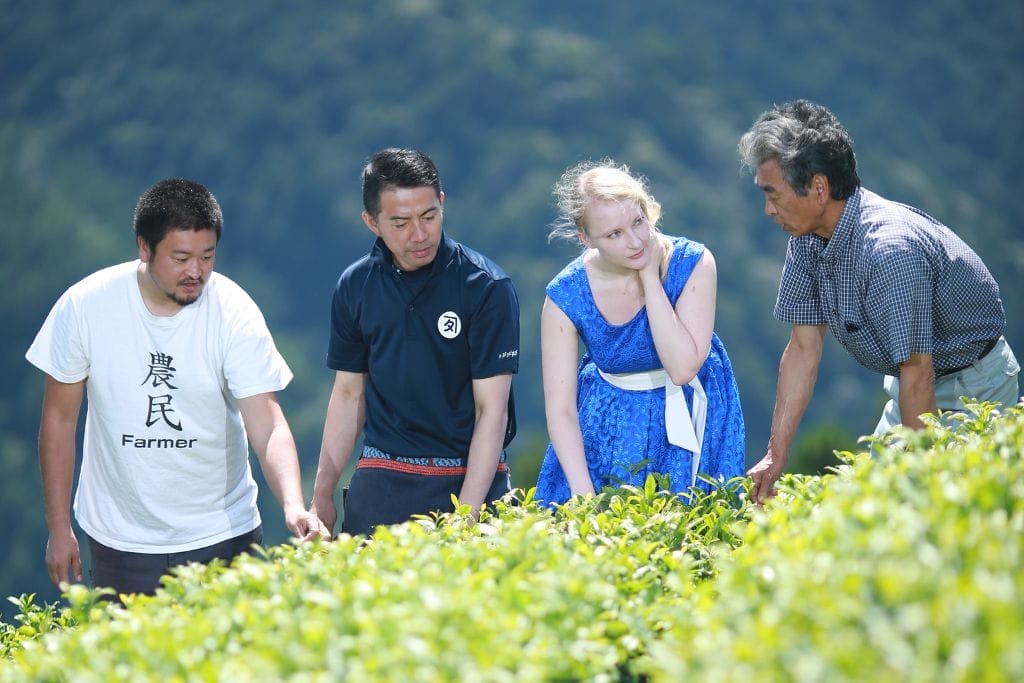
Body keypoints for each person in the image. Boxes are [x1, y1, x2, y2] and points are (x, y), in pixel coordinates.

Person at [25, 178, 326, 596]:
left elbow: (267, 421)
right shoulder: (85, 306)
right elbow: (58, 419)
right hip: (120, 538)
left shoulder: (233, 310)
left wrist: (293, 503)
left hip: (223, 533)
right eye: (181, 257)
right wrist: (59, 529)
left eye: (207, 256)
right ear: (144, 249)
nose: (196, 271)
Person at [738, 99, 1021, 505]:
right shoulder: (806, 238)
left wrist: (924, 483)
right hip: (911, 384)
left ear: (818, 188)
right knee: (869, 510)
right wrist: (775, 454)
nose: (768, 210)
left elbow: (918, 370)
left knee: (939, 509)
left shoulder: (889, 252)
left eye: (773, 195)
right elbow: (803, 348)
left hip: (973, 386)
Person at [308, 148, 519, 537]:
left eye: (429, 216)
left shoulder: (486, 287)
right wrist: (321, 495)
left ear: (442, 203)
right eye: (401, 223)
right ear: (372, 222)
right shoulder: (355, 287)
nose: (419, 235)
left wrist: (467, 517)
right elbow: (348, 395)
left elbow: (492, 411)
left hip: (469, 475)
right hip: (382, 477)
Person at [534, 160, 746, 505]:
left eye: (638, 221)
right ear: (585, 239)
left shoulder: (694, 262)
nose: (635, 242)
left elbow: (682, 368)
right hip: (609, 422)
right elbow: (560, 408)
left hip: (693, 411)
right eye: (614, 234)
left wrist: (650, 277)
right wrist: (583, 493)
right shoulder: (565, 295)